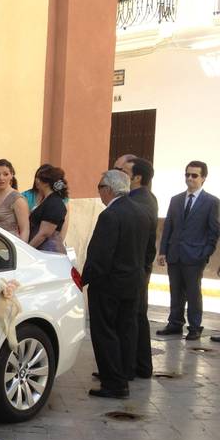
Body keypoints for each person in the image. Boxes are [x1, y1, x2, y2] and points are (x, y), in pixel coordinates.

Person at [82, 170, 147, 399]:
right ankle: (123, 374)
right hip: (132, 282)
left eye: (99, 187)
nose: (99, 193)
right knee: (126, 330)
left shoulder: (110, 215)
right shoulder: (139, 211)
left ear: (108, 189)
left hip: (109, 285)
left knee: (105, 332)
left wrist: (85, 279)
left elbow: (100, 254)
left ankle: (114, 383)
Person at [157, 160, 219, 340]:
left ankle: (194, 326)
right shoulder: (176, 200)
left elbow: (213, 231)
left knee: (193, 292)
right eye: (187, 174)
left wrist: (205, 253)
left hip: (195, 255)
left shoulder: (212, 202)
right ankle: (175, 323)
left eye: (194, 175)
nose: (189, 178)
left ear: (203, 178)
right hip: (174, 253)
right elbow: (168, 226)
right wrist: (163, 251)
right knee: (175, 290)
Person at [128, 157, 158, 379]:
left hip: (135, 268)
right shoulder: (148, 198)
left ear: (137, 177)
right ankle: (141, 366)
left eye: (124, 172)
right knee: (138, 316)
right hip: (141, 267)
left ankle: (131, 367)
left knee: (132, 317)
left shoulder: (137, 202)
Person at [0, 159, 29, 240]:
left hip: (9, 246)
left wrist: (20, 251)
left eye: (5, 174)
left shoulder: (17, 199)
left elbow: (25, 230)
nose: (1, 178)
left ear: (11, 175)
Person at [28, 165, 68, 252]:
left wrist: (27, 249)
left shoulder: (54, 203)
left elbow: (44, 234)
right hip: (42, 250)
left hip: (49, 252)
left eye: (39, 178)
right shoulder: (46, 200)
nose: (36, 180)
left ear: (46, 183)